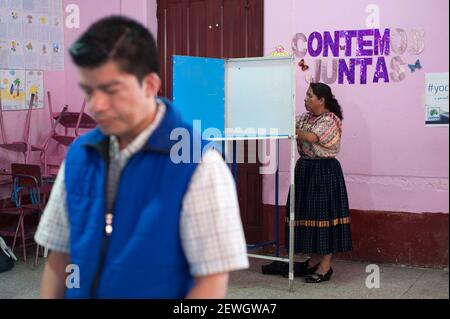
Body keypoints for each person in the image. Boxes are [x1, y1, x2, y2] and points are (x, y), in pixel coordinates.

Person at [34, 16, 249, 299]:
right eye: (89, 91)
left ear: (149, 85)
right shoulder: (79, 156)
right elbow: (59, 257)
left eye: (111, 91)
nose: (96, 106)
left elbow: (210, 283)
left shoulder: (199, 165)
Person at [285, 82, 352, 283]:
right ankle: (314, 259)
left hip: (324, 172)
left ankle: (325, 266)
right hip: (305, 169)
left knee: (324, 216)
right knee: (306, 214)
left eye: (309, 96)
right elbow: (297, 128)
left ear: (321, 100)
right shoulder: (305, 118)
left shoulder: (331, 120)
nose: (305, 99)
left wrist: (288, 126)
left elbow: (311, 137)